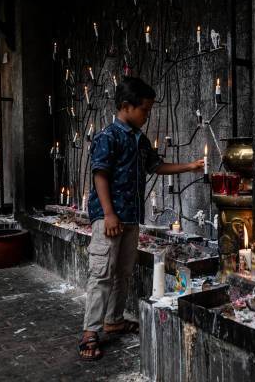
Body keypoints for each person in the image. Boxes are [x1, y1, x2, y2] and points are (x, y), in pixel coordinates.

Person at [78, 77, 204, 360]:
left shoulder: (139, 138)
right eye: (144, 110)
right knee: (101, 274)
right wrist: (109, 214)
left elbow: (156, 166)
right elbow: (100, 174)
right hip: (109, 219)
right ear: (126, 106)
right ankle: (90, 332)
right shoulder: (107, 136)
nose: (147, 116)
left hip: (131, 218)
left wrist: (191, 166)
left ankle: (114, 320)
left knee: (122, 272)